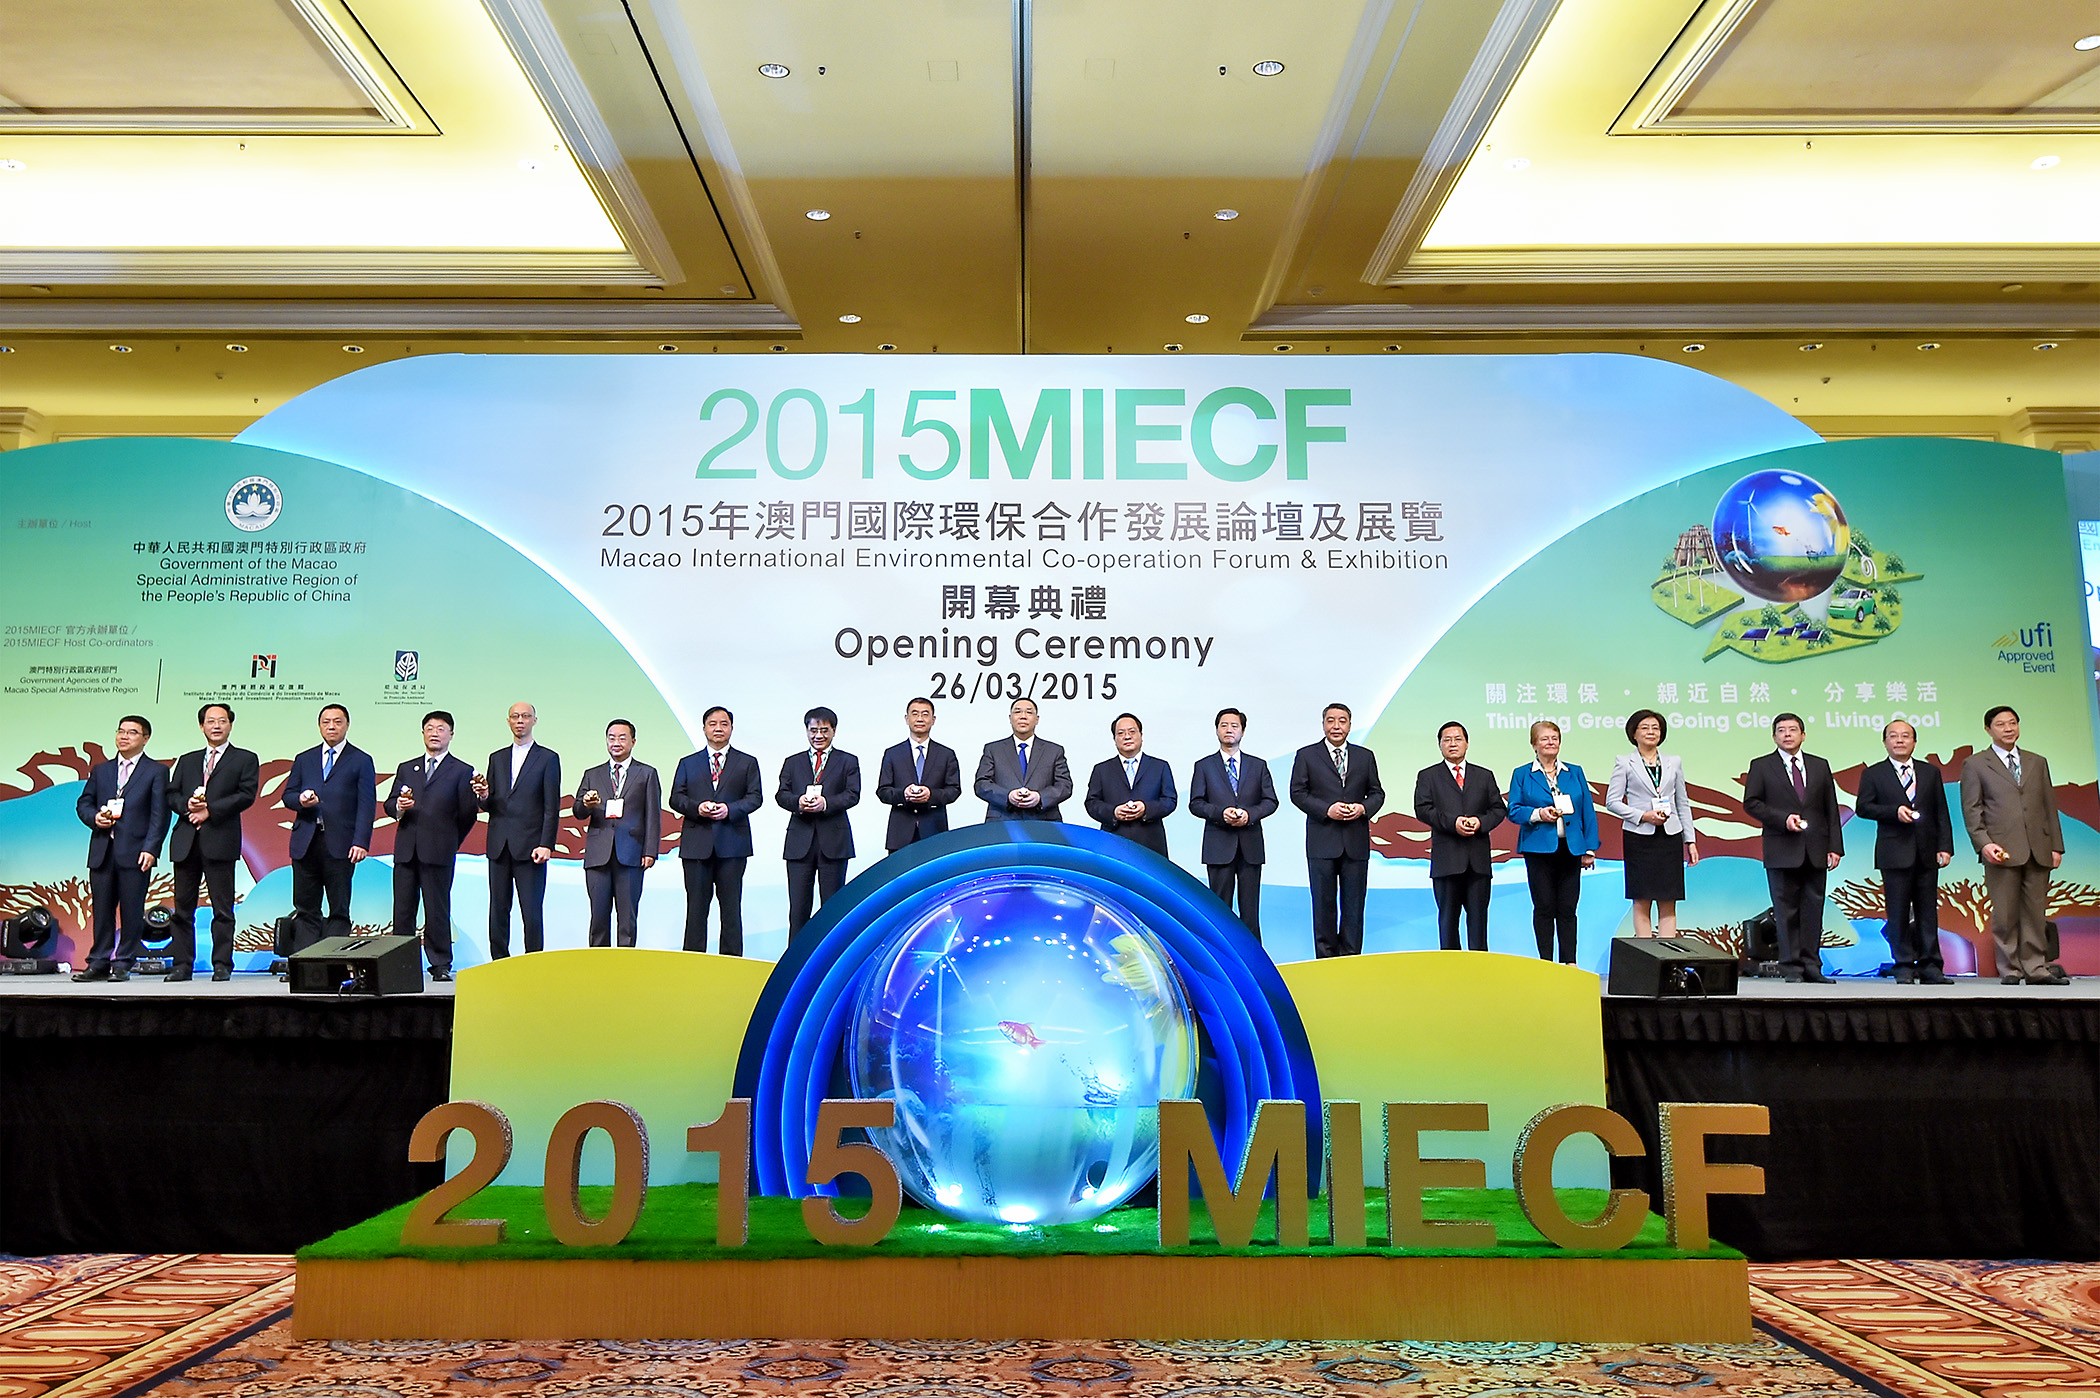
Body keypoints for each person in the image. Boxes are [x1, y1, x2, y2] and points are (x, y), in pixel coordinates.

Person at [1960, 705, 2068, 985]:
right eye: (2001, 724)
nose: (2008, 729)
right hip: (2000, 850)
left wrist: (2056, 846)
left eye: (2012, 723)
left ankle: (2036, 968)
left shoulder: (2037, 761)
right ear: (1988, 729)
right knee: (2005, 914)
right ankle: (2010, 969)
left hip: (2038, 847)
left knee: (2035, 913)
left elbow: (2049, 806)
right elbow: (1972, 809)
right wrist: (1984, 844)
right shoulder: (1976, 764)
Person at [1743, 712, 1843, 984]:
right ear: (1774, 736)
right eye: (1781, 730)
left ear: (1803, 735)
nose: (1787, 734)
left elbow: (1830, 808)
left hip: (1815, 849)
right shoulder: (1762, 766)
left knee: (1813, 910)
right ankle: (1791, 967)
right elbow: (1751, 803)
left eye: (1793, 729)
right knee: (1785, 911)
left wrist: (1835, 847)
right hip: (1781, 848)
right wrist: (1782, 819)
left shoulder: (1819, 765)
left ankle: (1812, 966)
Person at [71, 715, 170, 983]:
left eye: (132, 732)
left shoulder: (156, 771)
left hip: (136, 852)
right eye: (121, 731)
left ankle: (124, 962)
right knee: (102, 911)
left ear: (145, 738)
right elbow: (84, 803)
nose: (124, 736)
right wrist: (95, 818)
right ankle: (98, 962)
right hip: (102, 850)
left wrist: (151, 849)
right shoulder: (101, 770)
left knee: (131, 910)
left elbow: (160, 815)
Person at [383, 710, 481, 981]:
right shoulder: (407, 768)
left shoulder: (461, 770)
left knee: (437, 909)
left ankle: (439, 964)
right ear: (423, 733)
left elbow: (467, 814)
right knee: (403, 910)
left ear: (451, 734)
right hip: (406, 850)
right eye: (429, 728)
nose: (434, 733)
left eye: (440, 728)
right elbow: (389, 804)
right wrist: (399, 807)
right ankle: (402, 965)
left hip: (439, 851)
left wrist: (449, 841)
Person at [1856, 719, 1953, 985]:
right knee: (1897, 913)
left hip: (1927, 851)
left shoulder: (1930, 772)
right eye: (1893, 736)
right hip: (1893, 852)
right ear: (1885, 741)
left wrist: (1945, 846)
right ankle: (1903, 965)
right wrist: (1893, 812)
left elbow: (1941, 811)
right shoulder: (1874, 773)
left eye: (1905, 736)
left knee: (1927, 912)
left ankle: (1931, 965)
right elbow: (1863, 807)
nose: (1899, 740)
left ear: (1914, 741)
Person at [165, 702, 258, 982]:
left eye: (222, 721)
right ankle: (182, 965)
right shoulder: (188, 760)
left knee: (223, 909)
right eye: (210, 721)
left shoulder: (245, 758)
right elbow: (171, 794)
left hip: (220, 840)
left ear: (230, 725)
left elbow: (246, 795)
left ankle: (222, 964)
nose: (216, 726)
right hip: (186, 842)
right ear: (201, 726)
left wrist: (210, 810)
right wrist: (188, 806)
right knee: (183, 910)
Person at [1290, 702, 1385, 958]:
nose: (1336, 726)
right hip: (1322, 840)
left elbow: (1377, 793)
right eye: (1330, 720)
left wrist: (1362, 808)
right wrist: (1326, 809)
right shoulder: (1307, 755)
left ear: (1350, 725)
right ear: (1323, 724)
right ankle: (1325, 960)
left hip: (1355, 842)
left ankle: (1351, 959)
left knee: (1354, 906)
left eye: (1342, 721)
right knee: (1323, 905)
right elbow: (1297, 793)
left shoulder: (1365, 756)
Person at [669, 706, 764, 955]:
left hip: (732, 845)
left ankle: (731, 962)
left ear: (731, 728)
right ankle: (692, 961)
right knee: (696, 909)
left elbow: (755, 798)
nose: (718, 728)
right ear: (704, 729)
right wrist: (697, 808)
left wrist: (729, 810)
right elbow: (676, 798)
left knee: (731, 909)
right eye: (712, 724)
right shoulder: (688, 763)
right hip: (696, 846)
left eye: (724, 723)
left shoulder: (747, 762)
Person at [282, 704, 375, 952]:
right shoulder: (305, 759)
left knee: (339, 910)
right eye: (326, 722)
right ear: (319, 726)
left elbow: (366, 805)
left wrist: (361, 841)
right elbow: (288, 795)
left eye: (337, 721)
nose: (331, 726)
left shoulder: (361, 760)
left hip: (341, 844)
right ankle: (305, 961)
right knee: (305, 908)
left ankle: (333, 962)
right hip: (306, 842)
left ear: (347, 725)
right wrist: (301, 800)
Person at [1507, 720, 1599, 965]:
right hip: (1538, 849)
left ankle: (1569, 962)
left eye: (1555, 738)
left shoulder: (1574, 772)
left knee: (1568, 909)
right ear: (1534, 744)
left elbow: (1587, 811)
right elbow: (1513, 810)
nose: (1550, 742)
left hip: (1571, 849)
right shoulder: (1522, 774)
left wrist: (1589, 848)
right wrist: (1539, 814)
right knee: (1544, 908)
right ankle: (1545, 963)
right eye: (1544, 738)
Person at [474, 702, 561, 959]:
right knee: (498, 910)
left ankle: (532, 963)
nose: (520, 720)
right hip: (499, 845)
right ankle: (499, 962)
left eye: (525, 716)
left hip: (532, 847)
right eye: (515, 716)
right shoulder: (497, 758)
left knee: (531, 911)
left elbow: (551, 806)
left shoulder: (548, 758)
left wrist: (546, 844)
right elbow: (489, 804)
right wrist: (483, 795)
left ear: (535, 720)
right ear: (508, 721)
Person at [1604, 710, 1700, 938]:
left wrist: (1690, 840)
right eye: (1645, 727)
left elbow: (1682, 802)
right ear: (1634, 733)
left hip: (1670, 836)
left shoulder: (1673, 762)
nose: (1651, 732)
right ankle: (1646, 953)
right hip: (1639, 837)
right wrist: (1643, 816)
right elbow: (1612, 802)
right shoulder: (1624, 762)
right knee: (1642, 898)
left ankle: (1666, 952)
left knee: (1668, 898)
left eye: (1655, 728)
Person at [1413, 720, 1506, 951]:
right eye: (1447, 740)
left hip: (1478, 862)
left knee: (1478, 922)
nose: (1452, 744)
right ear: (1440, 745)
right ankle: (1450, 968)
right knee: (1448, 921)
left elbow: (1498, 809)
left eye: (1458, 739)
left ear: (1467, 743)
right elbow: (1422, 809)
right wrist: (1453, 823)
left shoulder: (1484, 775)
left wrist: (1480, 822)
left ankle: (1479, 968)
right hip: (1447, 861)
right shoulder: (1428, 776)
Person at [1187, 708, 1279, 940]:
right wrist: (1221, 813)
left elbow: (1271, 801)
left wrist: (1249, 814)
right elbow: (1196, 803)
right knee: (1219, 911)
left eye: (1234, 726)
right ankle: (1222, 957)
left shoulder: (1258, 765)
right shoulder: (1204, 766)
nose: (1229, 730)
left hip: (1250, 847)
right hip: (1218, 846)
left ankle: (1253, 959)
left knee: (1250, 912)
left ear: (1243, 731)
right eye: (1224, 725)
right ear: (1217, 730)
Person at [775, 706, 861, 940]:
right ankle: (795, 959)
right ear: (806, 731)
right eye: (813, 730)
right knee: (798, 911)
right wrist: (798, 802)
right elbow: (781, 795)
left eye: (824, 730)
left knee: (832, 910)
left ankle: (830, 958)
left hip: (834, 842)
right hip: (799, 843)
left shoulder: (847, 761)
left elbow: (852, 794)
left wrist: (826, 803)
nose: (818, 735)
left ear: (833, 731)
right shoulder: (792, 762)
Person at [574, 719, 661, 948]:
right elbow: (578, 812)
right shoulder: (592, 774)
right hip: (598, 855)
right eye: (611, 738)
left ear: (633, 741)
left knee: (627, 919)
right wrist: (586, 804)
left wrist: (650, 850)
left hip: (631, 853)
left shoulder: (646, 773)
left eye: (622, 738)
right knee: (598, 917)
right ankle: (598, 963)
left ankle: (626, 964)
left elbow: (653, 815)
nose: (616, 743)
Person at [1084, 713, 1178, 856]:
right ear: (1114, 739)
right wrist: (1114, 812)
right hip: (1113, 843)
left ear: (1141, 735)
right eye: (1121, 733)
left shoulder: (1160, 766)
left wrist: (1146, 808)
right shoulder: (1101, 769)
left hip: (1151, 844)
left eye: (1132, 731)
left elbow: (1170, 800)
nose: (1127, 737)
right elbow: (1092, 803)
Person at [876, 697, 962, 851]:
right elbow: (883, 791)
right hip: (900, 833)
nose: (920, 719)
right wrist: (903, 794)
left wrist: (931, 795)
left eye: (925, 714)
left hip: (935, 832)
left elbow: (954, 790)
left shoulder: (946, 754)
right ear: (907, 719)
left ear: (933, 720)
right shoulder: (892, 753)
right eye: (915, 714)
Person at [975, 697, 1072, 821]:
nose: (1023, 716)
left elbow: (1065, 786)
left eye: (1029, 712)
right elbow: (981, 784)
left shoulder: (1054, 751)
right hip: (1002, 820)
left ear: (1037, 719)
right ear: (1010, 718)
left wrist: (1040, 797)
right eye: (1017, 711)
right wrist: (1007, 796)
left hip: (1044, 821)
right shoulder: (993, 749)